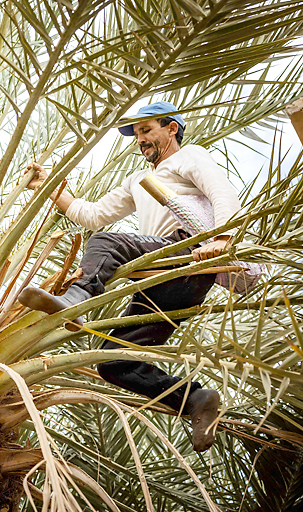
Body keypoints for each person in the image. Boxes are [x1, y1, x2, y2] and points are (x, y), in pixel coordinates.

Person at [18, 101, 241, 452]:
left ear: (172, 128)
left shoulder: (190, 156)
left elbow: (222, 191)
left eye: (147, 129)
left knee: (107, 242)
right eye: (136, 133)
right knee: (112, 360)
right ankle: (196, 399)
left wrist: (222, 240)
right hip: (163, 278)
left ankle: (76, 300)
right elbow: (93, 215)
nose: (140, 139)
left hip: (188, 252)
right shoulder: (138, 180)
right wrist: (48, 187)